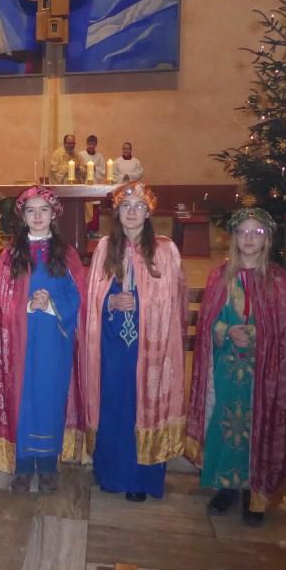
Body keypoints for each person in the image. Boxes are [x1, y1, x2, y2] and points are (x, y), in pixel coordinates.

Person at [185, 208, 286, 526]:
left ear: (267, 240)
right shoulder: (219, 276)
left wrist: (256, 333)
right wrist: (224, 331)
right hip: (226, 366)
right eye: (243, 233)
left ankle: (256, 491)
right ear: (234, 238)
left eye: (256, 233)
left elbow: (285, 332)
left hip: (262, 372)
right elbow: (208, 320)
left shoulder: (279, 280)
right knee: (225, 421)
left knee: (257, 426)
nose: (249, 239)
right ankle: (226, 487)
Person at [84, 182, 187, 501]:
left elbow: (173, 299)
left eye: (139, 206)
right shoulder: (104, 247)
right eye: (125, 206)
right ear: (117, 212)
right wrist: (111, 303)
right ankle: (111, 474)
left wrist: (140, 303)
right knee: (114, 404)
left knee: (143, 405)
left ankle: (141, 479)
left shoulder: (165, 249)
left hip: (150, 346)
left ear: (149, 211)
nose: (131, 212)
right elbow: (93, 297)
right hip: (113, 344)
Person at [0, 186, 87, 493]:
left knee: (49, 397)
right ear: (23, 217)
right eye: (31, 210)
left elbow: (77, 296)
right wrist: (29, 304)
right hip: (20, 341)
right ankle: (22, 463)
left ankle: (46, 464)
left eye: (43, 209)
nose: (38, 215)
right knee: (21, 399)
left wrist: (53, 305)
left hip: (53, 342)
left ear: (53, 214)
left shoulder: (66, 254)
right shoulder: (10, 255)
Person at [79, 134, 106, 233]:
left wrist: (95, 169)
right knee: (85, 207)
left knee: (94, 207)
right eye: (90, 144)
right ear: (87, 144)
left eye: (93, 144)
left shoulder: (99, 156)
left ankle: (93, 230)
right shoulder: (81, 155)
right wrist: (85, 169)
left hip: (95, 184)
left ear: (96, 145)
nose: (91, 146)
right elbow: (78, 168)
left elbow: (102, 171)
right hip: (84, 184)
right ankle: (84, 229)